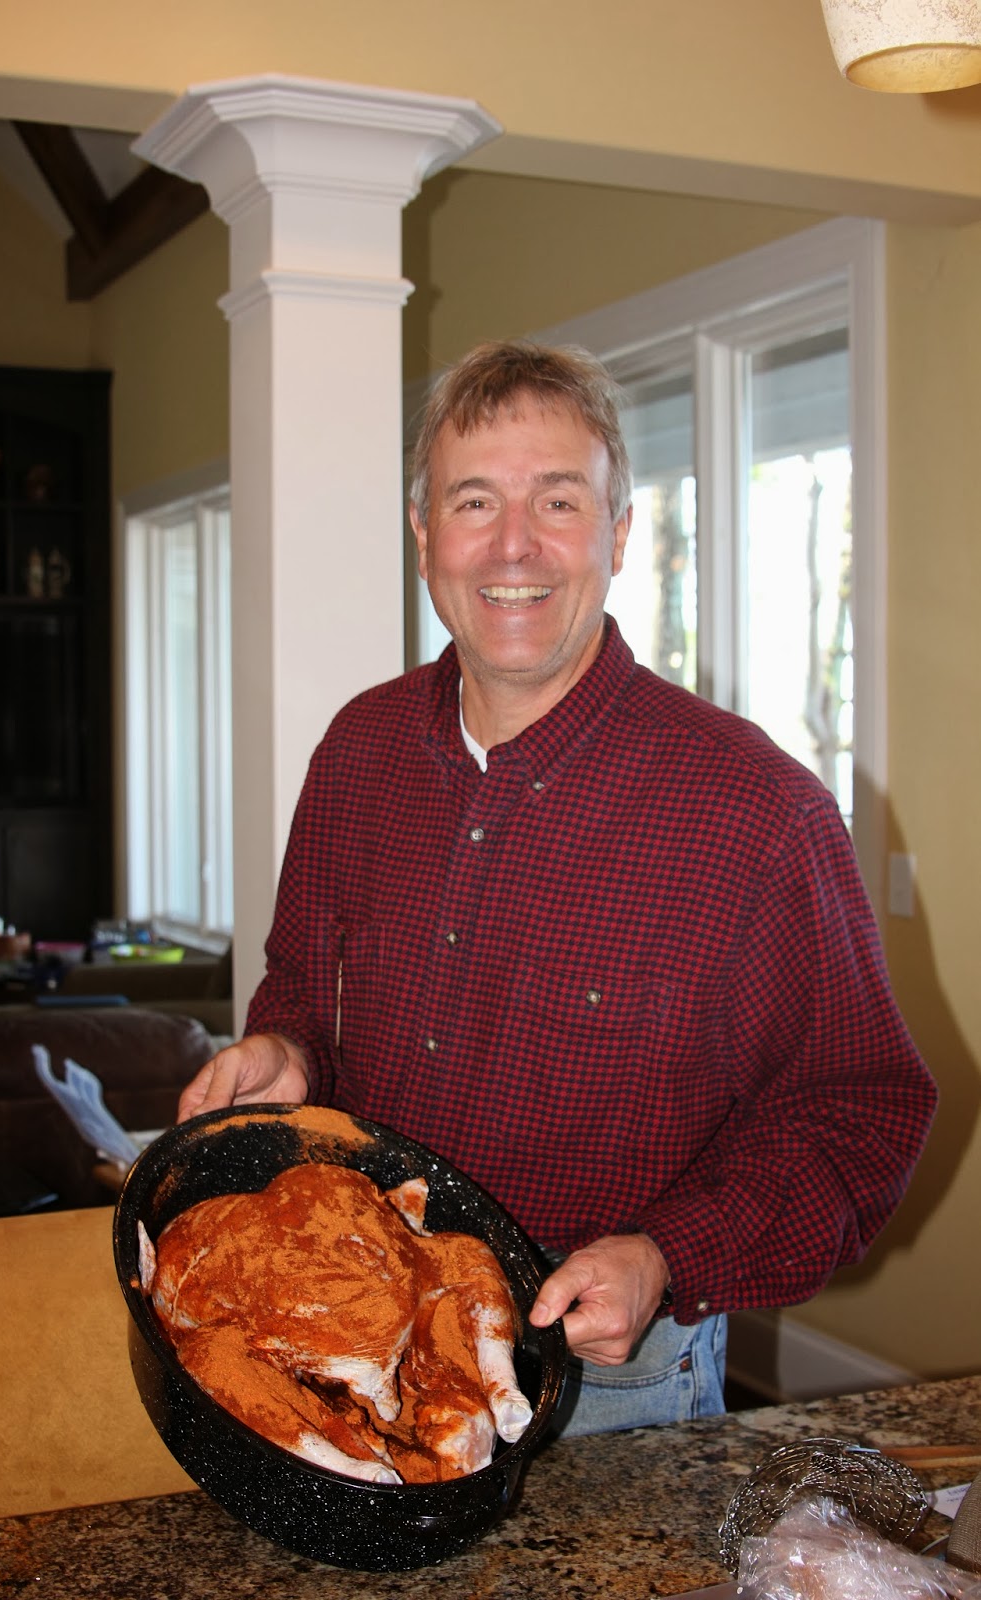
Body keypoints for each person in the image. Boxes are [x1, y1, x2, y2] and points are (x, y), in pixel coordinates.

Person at [179, 340, 937, 1437]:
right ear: (424, 533)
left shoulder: (757, 813)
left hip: (602, 1387)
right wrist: (286, 1051)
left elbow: (854, 1113)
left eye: (559, 500)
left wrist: (668, 1255)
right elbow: (303, 980)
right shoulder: (359, 750)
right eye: (474, 499)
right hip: (352, 1318)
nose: (513, 545)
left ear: (620, 532)